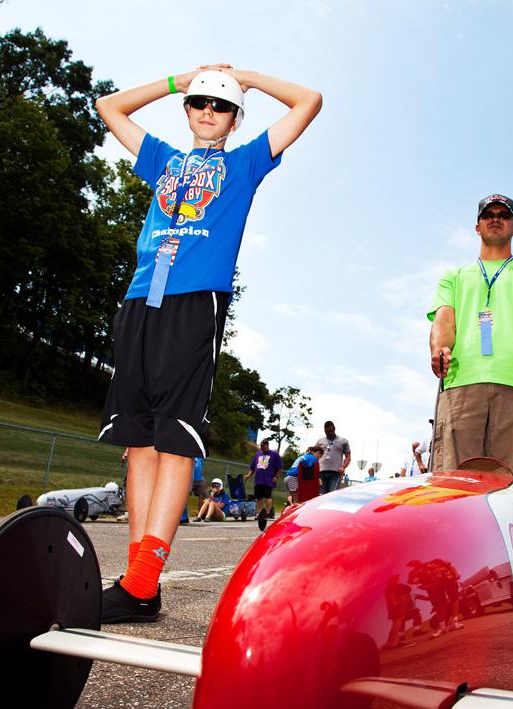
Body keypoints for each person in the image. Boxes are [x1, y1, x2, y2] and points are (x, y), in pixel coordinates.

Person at [94, 66, 321, 622]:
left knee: (173, 440)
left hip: (196, 302)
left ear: (236, 117)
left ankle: (145, 578)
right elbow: (109, 107)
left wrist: (243, 77)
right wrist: (176, 81)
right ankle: (135, 583)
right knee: (139, 442)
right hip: (141, 295)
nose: (207, 111)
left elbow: (308, 100)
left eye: (220, 106)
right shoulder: (164, 159)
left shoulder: (243, 163)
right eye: (199, 102)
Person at [428, 195, 513, 484]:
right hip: (462, 383)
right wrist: (440, 349)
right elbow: (443, 319)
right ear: (478, 227)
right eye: (488, 215)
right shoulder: (454, 276)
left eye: (504, 215)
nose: (495, 218)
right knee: (451, 483)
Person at [246, 438, 283, 531]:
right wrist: (249, 475)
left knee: (267, 497)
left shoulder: (274, 454)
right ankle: (259, 514)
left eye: (263, 446)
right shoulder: (258, 454)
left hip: (268, 480)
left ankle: (267, 512)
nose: (262, 448)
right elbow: (253, 467)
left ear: (267, 445)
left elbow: (279, 467)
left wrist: (276, 477)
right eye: (261, 446)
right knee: (258, 498)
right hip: (258, 480)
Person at [316, 420, 350, 493]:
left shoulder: (343, 441)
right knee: (320, 496)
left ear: (334, 429)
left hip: (335, 473)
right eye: (326, 432)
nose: (329, 433)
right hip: (321, 472)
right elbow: (313, 453)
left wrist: (343, 467)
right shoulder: (320, 441)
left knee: (331, 495)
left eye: (330, 431)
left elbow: (348, 456)